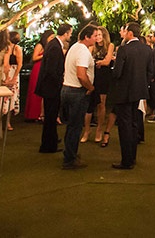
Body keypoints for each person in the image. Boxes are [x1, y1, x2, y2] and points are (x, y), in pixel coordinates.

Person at [109, 22, 154, 169]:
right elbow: (150, 71)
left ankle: (126, 160)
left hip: (124, 92)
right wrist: (143, 84)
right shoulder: (147, 49)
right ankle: (132, 157)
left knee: (125, 126)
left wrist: (113, 68)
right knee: (134, 124)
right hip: (139, 91)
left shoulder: (124, 49)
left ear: (130, 33)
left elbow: (117, 73)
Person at [61, 25, 98, 170]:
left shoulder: (74, 47)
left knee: (71, 126)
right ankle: (70, 159)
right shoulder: (83, 51)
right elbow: (81, 74)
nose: (96, 39)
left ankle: (69, 154)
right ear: (87, 37)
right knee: (75, 127)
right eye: (94, 36)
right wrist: (90, 87)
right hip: (76, 91)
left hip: (67, 88)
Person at [36, 23, 71, 153]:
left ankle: (51, 140)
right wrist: (60, 81)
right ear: (66, 33)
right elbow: (51, 70)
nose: (70, 36)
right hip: (51, 87)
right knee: (50, 117)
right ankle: (48, 145)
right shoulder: (55, 47)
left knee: (50, 116)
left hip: (49, 86)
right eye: (70, 33)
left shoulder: (53, 44)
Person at [83, 26, 115, 143]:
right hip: (93, 75)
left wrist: (100, 62)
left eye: (100, 35)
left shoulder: (110, 45)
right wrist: (100, 62)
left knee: (101, 103)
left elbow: (107, 61)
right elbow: (88, 60)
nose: (98, 37)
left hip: (104, 77)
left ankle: (99, 130)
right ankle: (87, 130)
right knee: (89, 104)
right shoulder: (92, 46)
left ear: (104, 35)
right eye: (96, 35)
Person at [24, 30, 54, 122]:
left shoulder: (50, 46)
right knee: (35, 89)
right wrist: (45, 54)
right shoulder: (40, 45)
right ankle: (33, 114)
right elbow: (34, 57)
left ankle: (41, 113)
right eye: (51, 37)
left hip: (45, 68)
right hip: (38, 68)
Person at [4, 31, 23, 132]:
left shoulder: (17, 48)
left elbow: (20, 64)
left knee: (11, 98)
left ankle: (8, 122)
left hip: (13, 72)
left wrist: (14, 77)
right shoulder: (5, 48)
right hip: (4, 73)